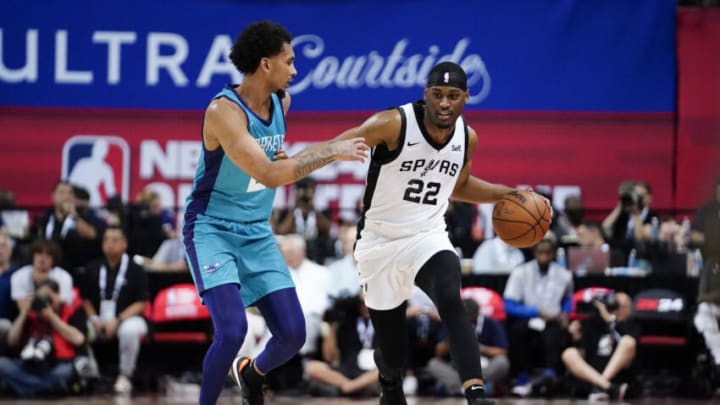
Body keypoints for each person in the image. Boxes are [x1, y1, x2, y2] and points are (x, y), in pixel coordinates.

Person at [332, 61, 546, 405]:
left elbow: (458, 187)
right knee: (392, 353)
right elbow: (335, 147)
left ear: (466, 97)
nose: (445, 103)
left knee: (451, 299)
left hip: (427, 234)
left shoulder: (467, 137)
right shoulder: (393, 122)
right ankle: (391, 387)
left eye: (454, 95)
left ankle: (476, 395)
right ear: (426, 94)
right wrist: (288, 164)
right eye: (438, 94)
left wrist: (506, 194)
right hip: (379, 243)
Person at [182, 20, 369, 405]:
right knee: (232, 331)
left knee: (293, 333)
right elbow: (268, 173)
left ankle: (251, 373)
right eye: (289, 60)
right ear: (265, 64)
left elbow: (276, 160)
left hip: (255, 229)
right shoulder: (223, 111)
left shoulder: (282, 102)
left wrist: (293, 155)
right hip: (212, 228)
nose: (295, 70)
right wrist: (332, 150)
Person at [79, 225, 149, 394]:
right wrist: (95, 320)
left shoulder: (135, 268)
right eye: (106, 240)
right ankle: (90, 374)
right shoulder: (93, 267)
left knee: (129, 330)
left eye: (114, 240)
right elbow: (85, 300)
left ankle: (125, 375)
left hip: (127, 318)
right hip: (98, 319)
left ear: (124, 244)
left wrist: (118, 321)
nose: (110, 244)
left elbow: (141, 302)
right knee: (80, 328)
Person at [503, 238, 573, 397]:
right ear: (534, 253)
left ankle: (550, 376)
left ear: (554, 254)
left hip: (553, 319)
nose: (544, 257)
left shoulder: (564, 275)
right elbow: (509, 305)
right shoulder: (520, 272)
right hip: (528, 317)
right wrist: (535, 312)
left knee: (555, 333)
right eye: (540, 253)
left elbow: (568, 299)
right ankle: (523, 377)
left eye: (548, 253)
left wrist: (565, 313)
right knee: (517, 331)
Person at [0, 278, 87, 398]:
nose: (45, 301)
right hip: (27, 365)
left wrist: (52, 317)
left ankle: (26, 389)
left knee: (66, 372)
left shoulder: (71, 310)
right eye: (41, 297)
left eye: (48, 296)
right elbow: (11, 340)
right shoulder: (30, 314)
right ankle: (43, 390)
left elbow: (79, 339)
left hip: (56, 365)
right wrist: (24, 312)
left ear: (57, 296)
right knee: (2, 364)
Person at [562, 291, 637, 401]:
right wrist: (575, 336)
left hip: (618, 376)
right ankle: (607, 387)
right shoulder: (593, 323)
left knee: (628, 341)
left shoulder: (633, 326)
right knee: (569, 353)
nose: (619, 310)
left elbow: (626, 344)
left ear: (630, 309)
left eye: (624, 307)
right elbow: (582, 350)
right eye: (616, 305)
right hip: (593, 374)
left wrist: (610, 321)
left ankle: (600, 387)